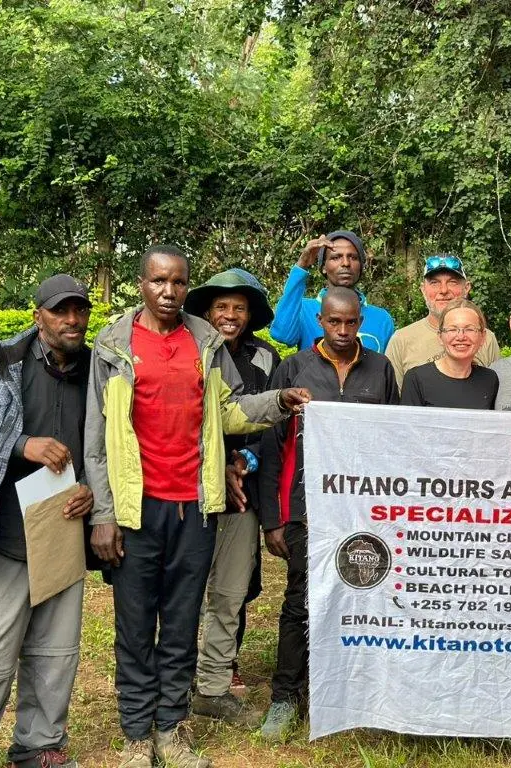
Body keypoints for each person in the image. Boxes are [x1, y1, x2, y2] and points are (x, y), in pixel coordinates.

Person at [85, 245, 311, 768]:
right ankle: (138, 736)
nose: (169, 292)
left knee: (182, 621)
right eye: (159, 281)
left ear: (188, 287)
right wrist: (103, 514)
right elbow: (95, 438)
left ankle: (172, 729)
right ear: (141, 284)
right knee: (136, 624)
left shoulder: (205, 341)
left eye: (179, 283)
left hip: (194, 505)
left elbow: (229, 411)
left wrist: (278, 401)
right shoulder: (114, 344)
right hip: (136, 509)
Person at [258, 287, 399, 741]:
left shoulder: (380, 369)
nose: (342, 332)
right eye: (334, 322)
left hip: (364, 509)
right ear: (320, 319)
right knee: (300, 601)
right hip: (306, 508)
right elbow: (273, 447)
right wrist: (273, 519)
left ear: (362, 321)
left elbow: (395, 439)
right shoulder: (293, 368)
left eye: (351, 323)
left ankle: (356, 694)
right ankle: (285, 698)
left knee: (365, 599)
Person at [0, 275, 95, 768]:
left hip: (63, 527)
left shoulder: (98, 368)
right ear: (38, 316)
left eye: (79, 310)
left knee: (56, 651)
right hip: (7, 533)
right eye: (61, 312)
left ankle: (37, 746)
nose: (72, 320)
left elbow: (106, 443)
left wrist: (93, 491)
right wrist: (20, 445)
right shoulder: (4, 361)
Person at [182, 268, 281, 725]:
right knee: (184, 589)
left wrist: (246, 464)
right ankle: (178, 680)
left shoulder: (266, 357)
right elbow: (183, 420)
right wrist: (217, 463)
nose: (229, 315)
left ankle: (214, 685)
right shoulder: (189, 349)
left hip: (244, 490)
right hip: (191, 485)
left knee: (231, 591)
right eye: (221, 306)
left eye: (239, 307)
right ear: (207, 311)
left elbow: (270, 418)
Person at [269, 230, 395, 352]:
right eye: (336, 257)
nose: (346, 263)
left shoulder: (382, 318)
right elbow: (282, 335)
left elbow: (386, 369)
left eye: (353, 257)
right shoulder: (304, 309)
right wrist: (302, 265)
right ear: (323, 267)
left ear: (361, 266)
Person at [385, 255, 499, 387]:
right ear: (423, 290)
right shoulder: (401, 340)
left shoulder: (486, 338)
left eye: (452, 282)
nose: (443, 290)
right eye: (434, 283)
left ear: (466, 288)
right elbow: (392, 403)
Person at [400, 298, 499, 409]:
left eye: (469, 329)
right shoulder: (416, 379)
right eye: (452, 329)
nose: (461, 337)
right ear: (440, 337)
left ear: (483, 337)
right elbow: (408, 425)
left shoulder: (489, 379)